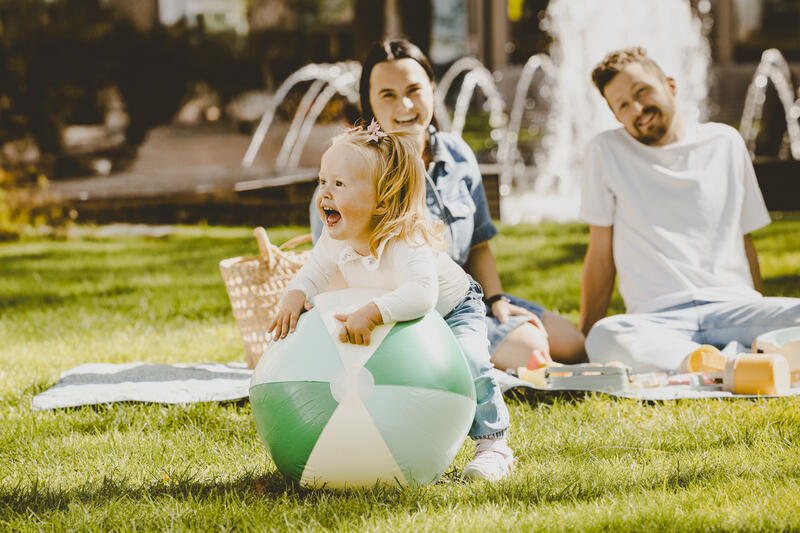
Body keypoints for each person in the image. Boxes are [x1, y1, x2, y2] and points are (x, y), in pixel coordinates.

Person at [310, 38, 587, 371]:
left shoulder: (456, 154)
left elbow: (479, 246)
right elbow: (333, 271)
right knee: (533, 351)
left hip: (462, 296)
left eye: (414, 89)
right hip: (405, 309)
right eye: (387, 94)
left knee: (572, 344)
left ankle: (483, 344)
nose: (405, 105)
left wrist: (496, 300)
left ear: (431, 88)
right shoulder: (352, 175)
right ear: (368, 100)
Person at [272, 126, 515, 481]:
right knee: (383, 380)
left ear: (382, 200)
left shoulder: (403, 241)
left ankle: (493, 444)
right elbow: (313, 272)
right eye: (323, 180)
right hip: (396, 313)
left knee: (471, 360)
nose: (325, 192)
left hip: (451, 310)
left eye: (340, 184)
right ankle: (406, 440)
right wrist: (294, 294)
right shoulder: (335, 238)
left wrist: (372, 312)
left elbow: (421, 294)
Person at [580, 46, 800, 373]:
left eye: (642, 92)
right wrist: (584, 337)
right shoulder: (605, 151)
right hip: (657, 318)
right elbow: (600, 256)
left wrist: (759, 312)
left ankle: (728, 356)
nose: (637, 109)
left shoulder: (725, 142)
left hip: (735, 306)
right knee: (604, 336)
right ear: (615, 115)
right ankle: (729, 362)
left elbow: (745, 242)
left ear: (670, 85)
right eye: (623, 105)